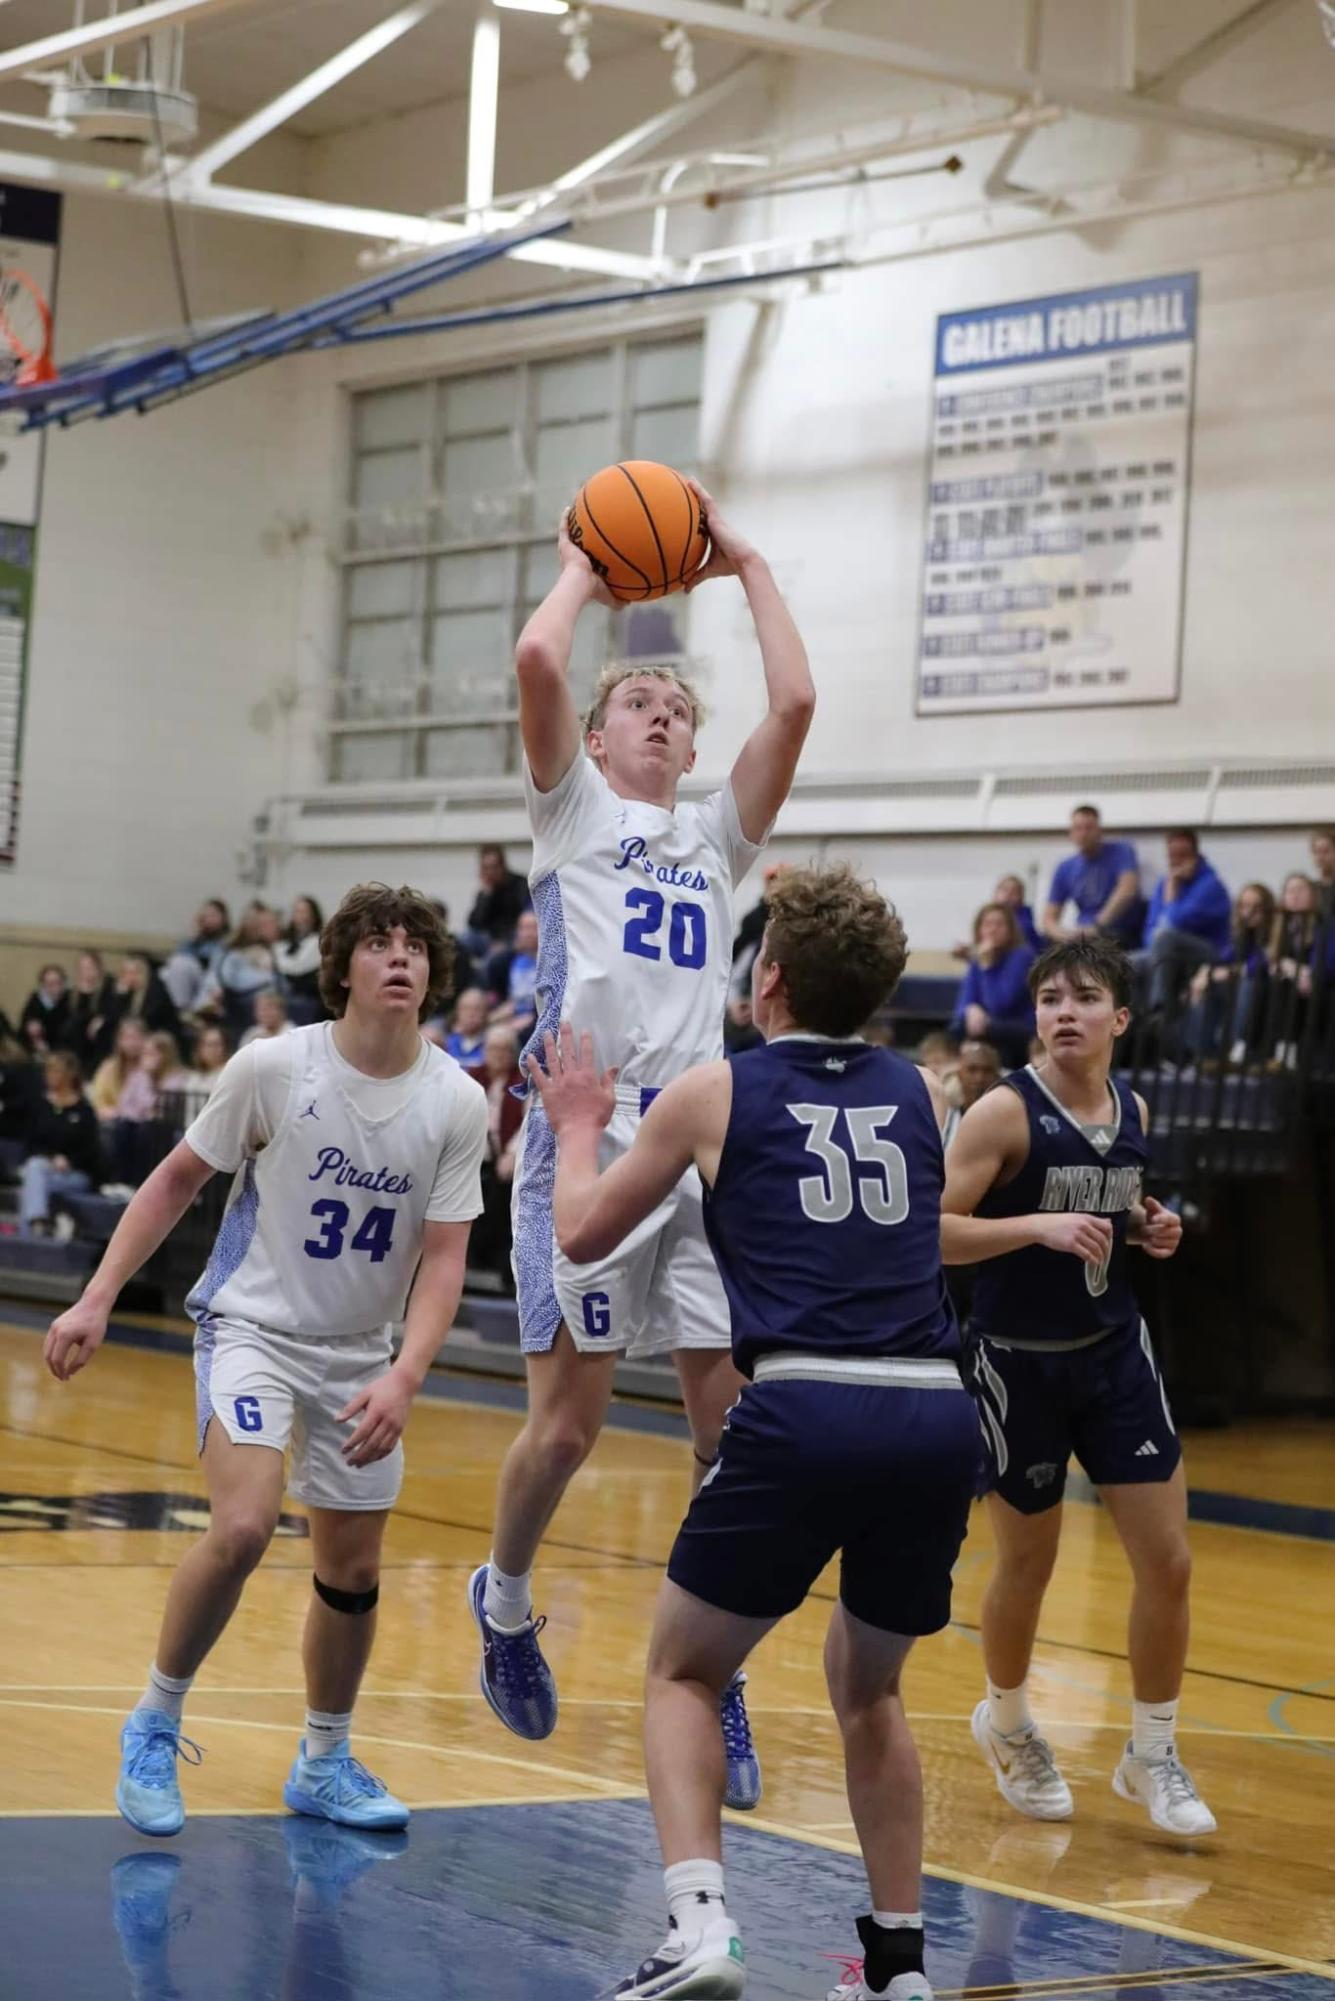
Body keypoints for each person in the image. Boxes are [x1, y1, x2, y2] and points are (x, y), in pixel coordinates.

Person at [526, 864, 976, 2001]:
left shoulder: (710, 1092)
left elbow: (578, 1234)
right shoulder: (927, 1095)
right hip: (932, 1410)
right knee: (870, 1691)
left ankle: (700, 1929)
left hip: (803, 1402)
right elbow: (929, 1233)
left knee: (683, 1671)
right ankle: (897, 1967)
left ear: (764, 978)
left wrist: (578, 1124)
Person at [470, 481, 815, 1806]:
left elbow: (790, 707)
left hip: (700, 1158)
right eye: (642, 707)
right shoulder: (569, 816)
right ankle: (502, 1599)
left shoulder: (711, 840)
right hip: (585, 1138)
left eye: (677, 709)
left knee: (726, 1436)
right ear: (600, 738)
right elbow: (537, 657)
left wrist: (745, 562)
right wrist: (580, 567)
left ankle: (712, 1673)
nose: (663, 717)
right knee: (564, 1431)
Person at [42, 884, 488, 1840]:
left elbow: (445, 1257)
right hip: (251, 1329)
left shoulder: (457, 1098)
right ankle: (155, 1720)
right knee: (243, 1526)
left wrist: (406, 1372)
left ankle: (323, 1758)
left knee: (353, 1571)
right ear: (342, 967)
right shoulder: (275, 1066)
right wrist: (96, 1296)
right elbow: (173, 1181)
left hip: (361, 1356)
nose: (400, 957)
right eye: (378, 943)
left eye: (415, 944)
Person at [940, 935, 1215, 1838]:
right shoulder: (999, 1113)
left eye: (1084, 997)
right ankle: (1009, 1722)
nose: (1064, 1011)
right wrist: (1033, 1227)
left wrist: (1147, 1227)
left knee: (1167, 1560)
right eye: (1049, 997)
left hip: (1111, 1354)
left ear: (1118, 1018)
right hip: (1016, 1362)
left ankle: (1151, 1751)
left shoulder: (1129, 1105)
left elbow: (1107, 1208)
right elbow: (929, 1233)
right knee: (1028, 1563)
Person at [1134, 830, 1231, 1015]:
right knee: (1126, 963)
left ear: (1195, 856)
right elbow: (1149, 931)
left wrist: (1171, 895)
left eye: (1183, 855)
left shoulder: (1211, 885)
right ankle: (1133, 1022)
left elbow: (1174, 923)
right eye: (1172, 856)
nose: (1177, 862)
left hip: (1208, 952)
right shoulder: (1164, 883)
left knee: (1165, 938)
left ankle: (1159, 1009)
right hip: (1167, 950)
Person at [1183, 883, 1274, 1062]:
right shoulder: (1240, 934)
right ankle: (1200, 1054)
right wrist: (1204, 974)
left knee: (1248, 983)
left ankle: (1236, 1047)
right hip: (1237, 988)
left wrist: (1228, 972)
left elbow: (1259, 964)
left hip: (1264, 990)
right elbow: (1222, 958)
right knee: (1204, 987)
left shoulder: (1274, 932)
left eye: (1256, 907)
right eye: (1244, 906)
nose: (1249, 912)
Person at [19, 1051, 103, 1238]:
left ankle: (30, 1234)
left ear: (70, 1075)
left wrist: (68, 1161)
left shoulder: (84, 1111)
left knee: (32, 1180)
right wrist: (50, 1158)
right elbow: (30, 1143)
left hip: (75, 1174)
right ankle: (37, 1224)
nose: (50, 1076)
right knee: (35, 1171)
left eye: (56, 1072)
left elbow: (91, 1150)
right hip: (44, 1169)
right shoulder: (40, 1106)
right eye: (48, 1071)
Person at [949, 904, 1036, 1068]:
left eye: (999, 924)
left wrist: (987, 968)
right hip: (987, 1025)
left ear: (1010, 929)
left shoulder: (1022, 956)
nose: (993, 929)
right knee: (958, 1026)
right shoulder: (979, 959)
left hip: (1019, 1027)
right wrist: (970, 1010)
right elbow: (962, 1004)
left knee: (987, 1029)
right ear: (979, 929)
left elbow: (1000, 1006)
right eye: (988, 924)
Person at [1042, 806, 1141, 946]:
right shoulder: (1065, 867)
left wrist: (1097, 926)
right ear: (1071, 833)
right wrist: (1065, 936)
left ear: (1099, 831)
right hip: (1082, 935)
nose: (1083, 834)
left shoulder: (1122, 851)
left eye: (1089, 828)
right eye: (1078, 828)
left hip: (1118, 931)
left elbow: (1127, 891)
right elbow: (1048, 920)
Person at [465, 845, 531, 958]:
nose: (490, 872)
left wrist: (502, 942)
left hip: (512, 937)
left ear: (502, 866)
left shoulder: (520, 885)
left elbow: (523, 916)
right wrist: (486, 895)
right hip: (490, 939)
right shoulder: (486, 892)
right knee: (466, 939)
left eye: (493, 867)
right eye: (486, 868)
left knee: (493, 957)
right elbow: (474, 923)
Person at [486, 909, 540, 1041]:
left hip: (537, 1019)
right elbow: (506, 1001)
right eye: (523, 928)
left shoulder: (552, 964)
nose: (528, 934)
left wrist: (529, 1019)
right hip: (512, 1015)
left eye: (533, 928)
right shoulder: (508, 961)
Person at [275, 897, 326, 1025]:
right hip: (289, 993)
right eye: (297, 911)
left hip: (310, 996)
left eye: (304, 911)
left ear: (314, 915)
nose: (300, 916)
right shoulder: (289, 940)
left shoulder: (319, 939)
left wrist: (277, 958)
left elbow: (297, 967)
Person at [67, 950, 117, 1073]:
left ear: (99, 968)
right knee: (72, 1028)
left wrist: (102, 1019)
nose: (86, 972)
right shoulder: (76, 991)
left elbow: (114, 1010)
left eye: (90, 967)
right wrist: (84, 994)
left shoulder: (109, 984)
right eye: (82, 968)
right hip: (84, 1038)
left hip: (104, 1034)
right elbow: (76, 1016)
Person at [90, 1019, 149, 1121]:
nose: (132, 1043)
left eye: (136, 1038)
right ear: (119, 1041)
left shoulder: (151, 1068)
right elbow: (98, 1102)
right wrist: (116, 1113)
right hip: (114, 1122)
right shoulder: (108, 1068)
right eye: (127, 1038)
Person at [20, 964, 71, 1056]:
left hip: (62, 1050)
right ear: (43, 985)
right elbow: (25, 1026)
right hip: (37, 1050)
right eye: (50, 984)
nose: (56, 987)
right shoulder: (35, 1001)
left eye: (59, 982)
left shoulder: (70, 999)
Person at [444, 987, 489, 1068]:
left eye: (477, 1009)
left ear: (486, 1012)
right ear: (457, 1012)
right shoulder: (447, 1044)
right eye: (466, 1009)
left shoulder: (493, 1045)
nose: (471, 1014)